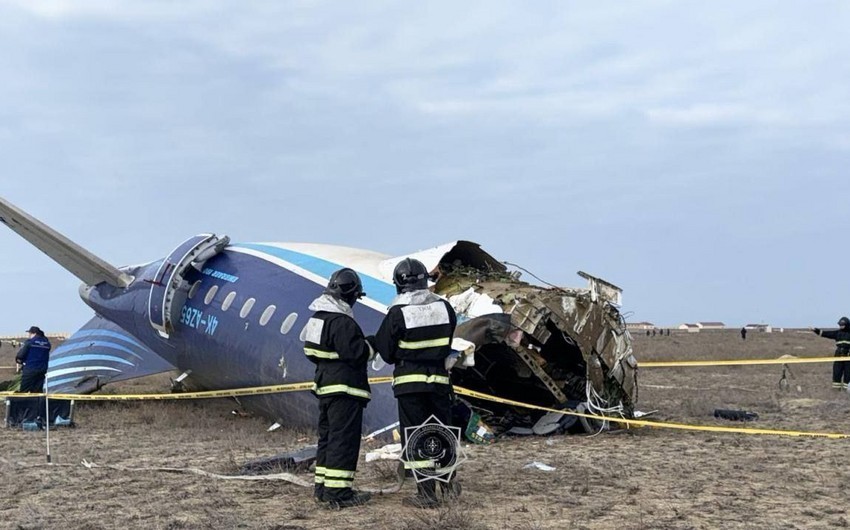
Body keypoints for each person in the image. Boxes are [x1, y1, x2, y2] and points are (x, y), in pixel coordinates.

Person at [371, 258, 459, 508]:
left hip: (410, 385)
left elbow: (386, 351)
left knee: (417, 436)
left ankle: (427, 494)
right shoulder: (444, 308)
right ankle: (448, 485)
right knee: (442, 432)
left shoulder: (398, 312)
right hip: (439, 382)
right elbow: (448, 341)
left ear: (399, 284)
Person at [302, 268, 373, 509]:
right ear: (351, 295)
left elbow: (310, 351)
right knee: (344, 440)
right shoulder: (343, 322)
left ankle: (322, 488)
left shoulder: (317, 319)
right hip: (345, 390)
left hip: (325, 387)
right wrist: (371, 345)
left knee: (328, 438)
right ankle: (339, 493)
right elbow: (357, 354)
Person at [812, 317, 850, 390]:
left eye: (842, 325)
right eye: (840, 325)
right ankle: (836, 391)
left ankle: (846, 391)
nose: (841, 326)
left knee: (848, 375)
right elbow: (826, 333)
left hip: (848, 358)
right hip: (838, 356)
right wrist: (816, 330)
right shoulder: (837, 333)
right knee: (837, 373)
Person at [15, 326, 51, 393]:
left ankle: (22, 400)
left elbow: (20, 355)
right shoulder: (47, 343)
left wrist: (20, 360)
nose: (29, 335)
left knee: (24, 391)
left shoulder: (30, 342)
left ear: (34, 333)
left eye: (30, 333)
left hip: (30, 369)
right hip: (42, 370)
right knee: (37, 392)